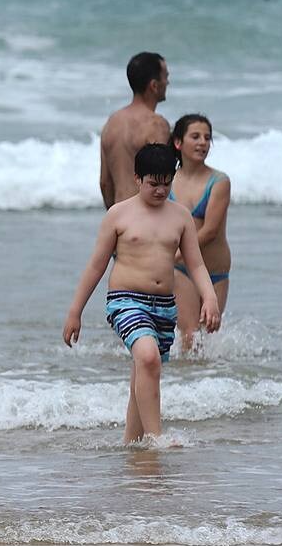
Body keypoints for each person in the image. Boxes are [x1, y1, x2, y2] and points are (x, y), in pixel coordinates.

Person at [63, 143, 220, 443]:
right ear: (137, 179)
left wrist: (209, 297)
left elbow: (196, 263)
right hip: (126, 301)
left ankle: (131, 445)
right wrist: (75, 311)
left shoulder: (180, 217)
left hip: (164, 307)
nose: (160, 191)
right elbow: (96, 266)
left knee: (144, 371)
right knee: (148, 359)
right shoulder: (118, 215)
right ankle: (155, 439)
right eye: (152, 184)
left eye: (166, 183)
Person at [168, 114, 231, 352]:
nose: (203, 142)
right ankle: (184, 386)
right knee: (190, 335)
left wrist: (171, 256)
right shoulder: (168, 181)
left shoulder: (219, 181)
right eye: (195, 136)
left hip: (215, 271)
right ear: (178, 143)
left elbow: (211, 231)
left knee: (206, 338)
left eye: (207, 138)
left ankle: (206, 384)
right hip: (182, 269)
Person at [99, 52, 172, 208]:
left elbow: (105, 183)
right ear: (154, 85)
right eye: (166, 77)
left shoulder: (112, 122)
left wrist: (115, 216)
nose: (168, 82)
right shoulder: (156, 124)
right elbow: (161, 178)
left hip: (119, 214)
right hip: (146, 216)